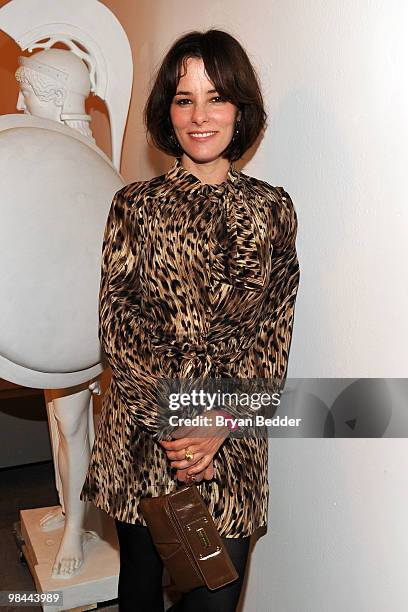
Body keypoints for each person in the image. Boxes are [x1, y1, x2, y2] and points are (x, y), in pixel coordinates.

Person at [80, 28, 300, 611]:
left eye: (216, 97)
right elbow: (118, 328)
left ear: (240, 109)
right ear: (167, 111)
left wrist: (221, 422)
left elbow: (272, 340)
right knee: (141, 594)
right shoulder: (135, 206)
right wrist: (179, 427)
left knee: (215, 600)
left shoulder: (273, 210)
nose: (200, 116)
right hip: (144, 440)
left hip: (233, 440)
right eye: (184, 99)